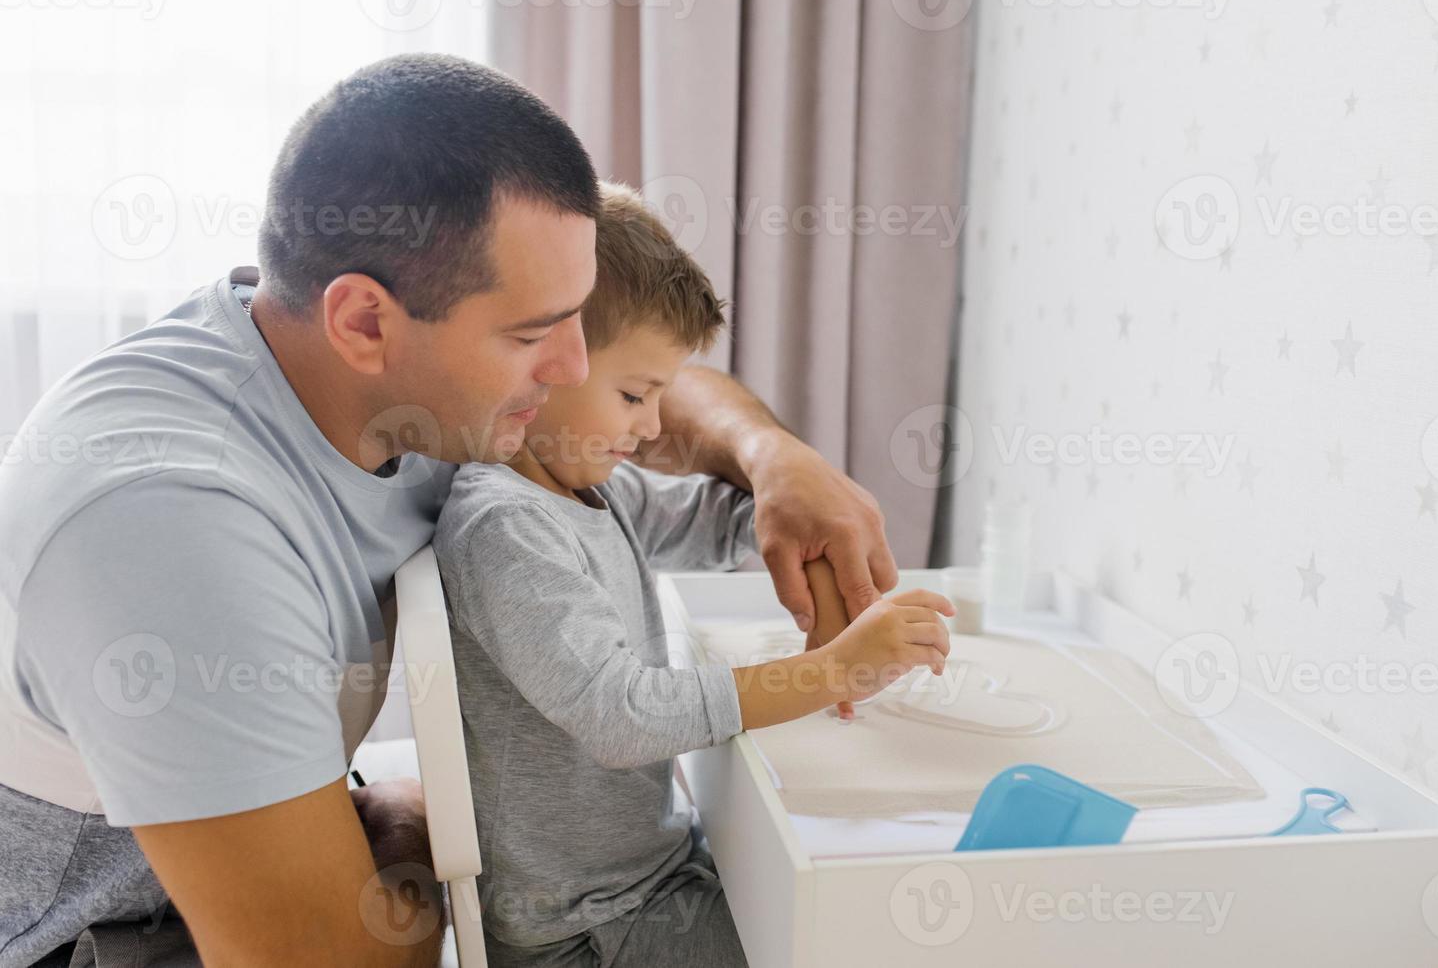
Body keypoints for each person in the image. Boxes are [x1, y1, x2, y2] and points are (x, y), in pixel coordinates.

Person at [0, 55, 897, 967]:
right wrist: (418, 823)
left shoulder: (385, 376)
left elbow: (634, 393)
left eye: (577, 320)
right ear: (363, 322)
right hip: (89, 935)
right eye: (529, 335)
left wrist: (776, 460)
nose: (573, 372)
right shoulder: (172, 529)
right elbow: (326, 957)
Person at [433, 182, 953, 966]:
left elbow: (707, 523)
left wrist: (799, 517)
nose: (650, 428)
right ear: (546, 364)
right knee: (854, 934)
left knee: (834, 877)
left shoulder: (582, 489)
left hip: (641, 881)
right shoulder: (506, 527)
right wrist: (831, 669)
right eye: (635, 395)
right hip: (587, 930)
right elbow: (622, 716)